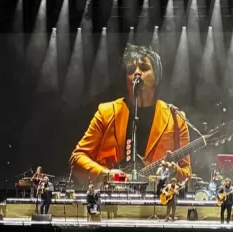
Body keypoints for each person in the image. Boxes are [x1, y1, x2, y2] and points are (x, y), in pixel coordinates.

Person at [69, 44, 191, 184]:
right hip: (111, 193)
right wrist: (107, 175)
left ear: (156, 78)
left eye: (144, 68)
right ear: (126, 80)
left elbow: (187, 174)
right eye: (131, 70)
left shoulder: (176, 118)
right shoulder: (106, 112)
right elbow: (77, 158)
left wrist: (175, 172)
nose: (137, 73)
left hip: (157, 195)